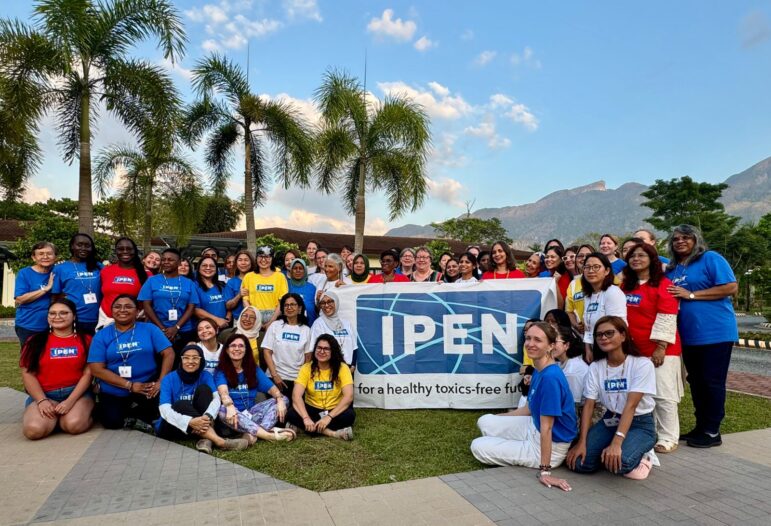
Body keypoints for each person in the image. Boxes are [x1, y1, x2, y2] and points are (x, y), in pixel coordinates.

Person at [470, 322, 577, 491]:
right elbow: (528, 410)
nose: (530, 344)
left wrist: (545, 472)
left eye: (537, 340)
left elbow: (547, 428)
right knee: (484, 421)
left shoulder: (551, 378)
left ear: (550, 346)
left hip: (550, 444)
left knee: (478, 446)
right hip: (533, 427)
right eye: (528, 338)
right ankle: (511, 441)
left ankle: (527, 453)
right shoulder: (538, 369)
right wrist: (497, 420)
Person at [665, 225, 738, 448]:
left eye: (686, 238)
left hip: (715, 333)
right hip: (689, 336)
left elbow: (731, 287)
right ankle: (701, 426)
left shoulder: (710, 258)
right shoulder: (674, 269)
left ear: (696, 240)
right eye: (676, 239)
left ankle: (712, 430)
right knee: (696, 381)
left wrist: (692, 295)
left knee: (712, 382)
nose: (680, 241)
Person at [566, 316, 657, 480]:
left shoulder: (642, 364)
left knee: (621, 462)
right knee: (579, 463)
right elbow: (588, 405)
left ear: (623, 336)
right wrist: (582, 441)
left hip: (639, 422)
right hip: (610, 420)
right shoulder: (596, 366)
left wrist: (616, 443)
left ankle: (646, 455)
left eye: (609, 333)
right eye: (599, 335)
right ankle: (607, 453)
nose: (603, 338)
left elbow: (631, 406)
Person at [622, 242, 683, 453]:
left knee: (663, 395)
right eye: (632, 256)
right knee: (643, 395)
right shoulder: (626, 286)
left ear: (652, 260)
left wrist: (661, 347)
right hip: (635, 351)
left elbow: (667, 316)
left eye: (641, 255)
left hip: (661, 350)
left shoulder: (663, 284)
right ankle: (652, 433)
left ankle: (669, 437)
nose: (636, 259)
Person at [88, 295, 174, 429]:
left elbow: (169, 353)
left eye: (128, 306)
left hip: (147, 386)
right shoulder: (101, 335)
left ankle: (136, 413)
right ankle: (128, 413)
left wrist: (161, 381)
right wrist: (130, 385)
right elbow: (96, 369)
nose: (122, 310)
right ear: (111, 311)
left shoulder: (149, 329)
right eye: (117, 307)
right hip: (115, 387)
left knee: (161, 413)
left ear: (137, 311)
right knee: (112, 422)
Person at [19, 299, 94, 440]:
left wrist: (70, 401)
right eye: (52, 313)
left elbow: (88, 373)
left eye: (64, 313)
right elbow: (27, 373)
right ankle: (53, 417)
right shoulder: (34, 341)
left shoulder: (87, 340)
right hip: (46, 395)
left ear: (74, 316)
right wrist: (42, 401)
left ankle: (76, 415)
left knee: (73, 425)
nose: (57, 317)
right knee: (33, 431)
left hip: (76, 394)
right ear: (47, 317)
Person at [156, 344, 249, 452]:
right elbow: (164, 410)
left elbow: (216, 399)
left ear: (201, 360)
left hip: (197, 427)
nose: (190, 361)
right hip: (173, 426)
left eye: (195, 358)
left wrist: (207, 416)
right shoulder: (169, 378)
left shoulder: (205, 375)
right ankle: (220, 441)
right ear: (181, 360)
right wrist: (189, 422)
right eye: (186, 358)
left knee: (204, 389)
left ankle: (205, 439)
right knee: (180, 404)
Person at [215, 334, 295, 444]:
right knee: (222, 409)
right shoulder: (221, 370)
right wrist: (229, 406)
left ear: (246, 350)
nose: (237, 349)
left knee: (284, 399)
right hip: (232, 417)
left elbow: (275, 391)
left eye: (241, 346)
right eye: (233, 346)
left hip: (251, 414)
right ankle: (268, 435)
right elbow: (223, 393)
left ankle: (255, 433)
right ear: (227, 350)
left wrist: (280, 400)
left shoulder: (253, 369)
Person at [285, 334, 355, 440]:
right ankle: (333, 433)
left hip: (333, 410)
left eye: (326, 349)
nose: (322, 351)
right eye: (319, 348)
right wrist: (305, 418)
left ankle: (303, 429)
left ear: (333, 351)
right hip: (312, 409)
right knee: (291, 413)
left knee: (349, 416)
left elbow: (348, 396)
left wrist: (328, 417)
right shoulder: (307, 368)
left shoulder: (342, 368)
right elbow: (296, 396)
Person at [138, 248, 199, 352]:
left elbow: (191, 307)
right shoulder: (152, 280)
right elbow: (146, 305)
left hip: (183, 330)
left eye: (170, 260)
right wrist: (162, 328)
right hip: (156, 329)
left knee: (180, 361)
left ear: (179, 262)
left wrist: (176, 327)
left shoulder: (188, 283)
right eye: (163, 259)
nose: (166, 262)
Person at [262, 293, 312, 400]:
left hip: (296, 379)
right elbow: (267, 352)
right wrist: (275, 375)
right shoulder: (275, 326)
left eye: (293, 305)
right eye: (286, 305)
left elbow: (308, 358)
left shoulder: (306, 330)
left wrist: (301, 379)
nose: (289, 307)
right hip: (274, 377)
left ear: (299, 308)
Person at [52, 233, 102, 335]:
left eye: (87, 246)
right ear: (72, 246)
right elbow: (55, 297)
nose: (83, 248)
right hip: (73, 319)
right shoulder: (60, 268)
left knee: (95, 350)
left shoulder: (99, 267)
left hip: (99, 318)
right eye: (79, 245)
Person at [581, 253, 627, 362]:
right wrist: (588, 349)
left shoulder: (612, 292)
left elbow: (619, 325)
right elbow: (588, 327)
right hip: (595, 348)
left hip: (612, 350)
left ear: (606, 271)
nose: (591, 271)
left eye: (596, 267)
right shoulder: (588, 296)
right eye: (587, 267)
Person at [98, 237, 149, 330]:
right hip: (106, 321)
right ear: (116, 251)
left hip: (134, 323)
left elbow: (149, 302)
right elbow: (101, 295)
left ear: (135, 251)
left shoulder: (146, 275)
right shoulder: (105, 271)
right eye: (121, 249)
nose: (125, 251)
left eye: (129, 249)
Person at [14, 241, 57, 346]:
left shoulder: (58, 272)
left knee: (48, 358)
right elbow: (20, 299)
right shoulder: (25, 273)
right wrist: (46, 289)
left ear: (55, 257)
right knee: (30, 359)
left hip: (54, 325)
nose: (45, 256)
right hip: (29, 325)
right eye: (41, 254)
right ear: (34, 257)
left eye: (49, 253)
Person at [242, 246, 288, 329]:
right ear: (256, 258)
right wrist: (253, 318)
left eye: (267, 257)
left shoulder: (280, 277)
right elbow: (245, 299)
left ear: (272, 258)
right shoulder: (248, 277)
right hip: (253, 317)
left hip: (275, 317)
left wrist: (271, 322)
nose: (263, 260)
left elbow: (282, 302)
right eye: (260, 256)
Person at [310, 290, 358, 369]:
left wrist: (352, 366)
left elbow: (354, 348)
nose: (326, 305)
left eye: (330, 301)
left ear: (336, 302)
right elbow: (314, 349)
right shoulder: (318, 324)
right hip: (327, 369)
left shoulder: (346, 323)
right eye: (323, 303)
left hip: (347, 370)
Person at [552, 325, 589, 414]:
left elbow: (572, 406)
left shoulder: (573, 369)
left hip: (586, 412)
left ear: (566, 345)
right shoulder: (560, 363)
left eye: (554, 342)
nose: (550, 346)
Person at [566, 244, 594, 336]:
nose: (584, 258)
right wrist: (575, 325)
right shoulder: (573, 284)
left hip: (603, 334)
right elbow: (569, 311)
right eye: (580, 256)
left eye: (588, 255)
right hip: (582, 336)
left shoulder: (606, 279)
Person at [194, 256, 229, 329]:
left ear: (216, 269)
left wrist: (228, 316)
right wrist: (217, 320)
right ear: (199, 268)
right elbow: (195, 310)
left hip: (224, 326)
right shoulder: (193, 286)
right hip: (205, 328)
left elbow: (228, 304)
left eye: (212, 266)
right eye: (204, 265)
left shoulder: (222, 285)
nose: (208, 268)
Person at [224, 249, 254, 324]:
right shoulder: (231, 282)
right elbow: (228, 306)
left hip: (257, 318)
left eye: (246, 260)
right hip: (238, 321)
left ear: (251, 262)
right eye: (240, 260)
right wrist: (239, 295)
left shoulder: (258, 279)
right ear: (236, 263)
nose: (243, 263)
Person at [287, 258, 318, 324]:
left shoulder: (312, 288)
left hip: (309, 326)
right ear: (291, 271)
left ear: (305, 271)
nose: (298, 270)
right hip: (289, 327)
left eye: (300, 268)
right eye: (295, 268)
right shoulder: (286, 285)